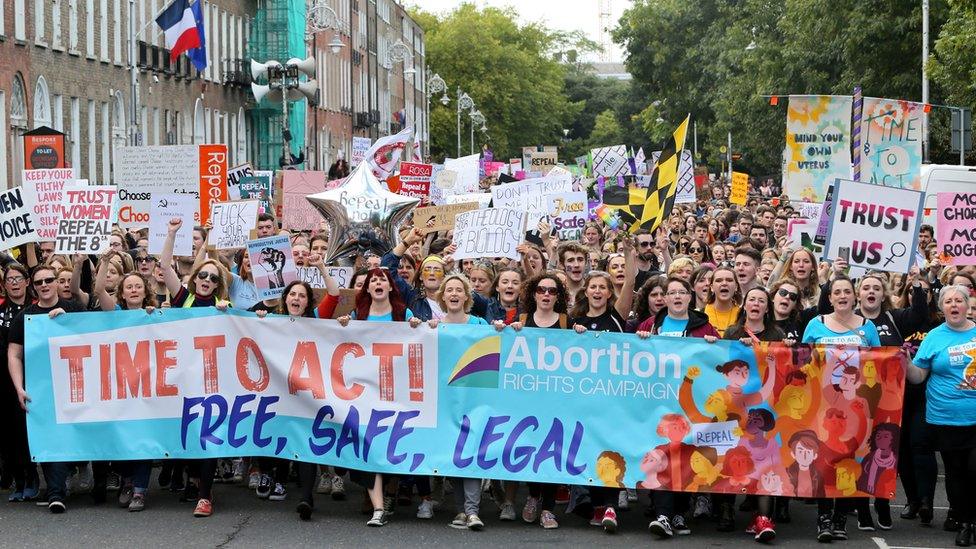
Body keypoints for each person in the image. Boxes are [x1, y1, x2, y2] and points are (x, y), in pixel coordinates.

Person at [336, 268, 423, 527]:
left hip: (397, 390)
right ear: (368, 288)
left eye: (382, 279)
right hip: (365, 391)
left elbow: (419, 340)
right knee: (368, 443)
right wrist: (343, 326)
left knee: (391, 442)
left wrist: (417, 327)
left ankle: (391, 491)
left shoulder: (402, 313)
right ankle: (378, 507)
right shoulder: (357, 315)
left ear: (390, 286)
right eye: (373, 279)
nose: (377, 282)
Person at [160, 218, 231, 518]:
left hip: (213, 383)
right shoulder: (184, 298)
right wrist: (172, 234)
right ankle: (194, 478)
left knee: (209, 436)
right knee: (187, 434)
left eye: (213, 278)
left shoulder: (224, 306)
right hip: (182, 378)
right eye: (203, 275)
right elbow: (164, 267)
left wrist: (229, 315)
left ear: (219, 285)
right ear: (195, 277)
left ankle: (204, 496)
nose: (207, 280)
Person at [6, 265, 87, 513]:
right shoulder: (25, 317)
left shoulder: (74, 309)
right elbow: (14, 354)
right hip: (43, 389)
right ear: (34, 286)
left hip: (76, 386)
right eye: (39, 282)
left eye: (49, 280)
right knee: (51, 437)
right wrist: (19, 387)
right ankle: (56, 492)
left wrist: (68, 321)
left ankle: (73, 480)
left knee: (71, 436)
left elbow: (92, 338)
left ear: (56, 282)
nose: (44, 285)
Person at [907, 284, 976, 547]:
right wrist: (905, 363)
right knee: (956, 472)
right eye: (949, 301)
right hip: (946, 417)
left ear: (968, 305)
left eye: (960, 300)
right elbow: (918, 376)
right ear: (941, 307)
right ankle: (966, 522)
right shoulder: (934, 337)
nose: (954, 305)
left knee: (973, 469)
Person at [426, 275, 489, 531]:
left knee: (470, 453)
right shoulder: (434, 327)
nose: (453, 294)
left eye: (458, 290)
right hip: (446, 403)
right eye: (449, 290)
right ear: (443, 297)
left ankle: (472, 511)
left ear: (466, 297)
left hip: (474, 401)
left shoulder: (480, 324)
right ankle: (461, 510)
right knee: (455, 455)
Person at [703, 266, 742, 336]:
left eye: (729, 280)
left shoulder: (744, 315)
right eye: (719, 280)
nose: (724, 283)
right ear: (711, 287)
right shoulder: (700, 315)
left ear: (736, 287)